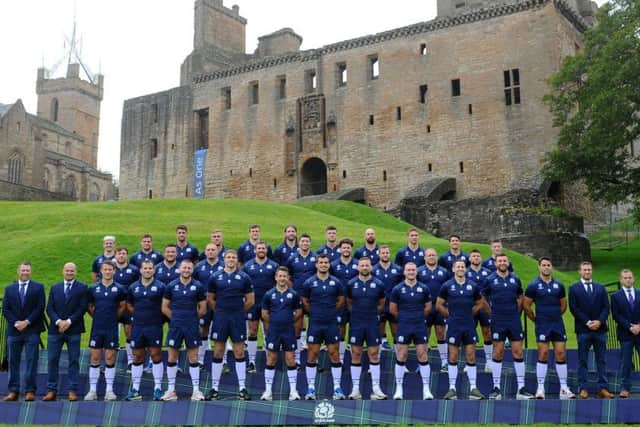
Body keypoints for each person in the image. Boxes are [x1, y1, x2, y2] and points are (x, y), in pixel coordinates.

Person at [437, 260, 489, 400]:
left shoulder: (472, 286)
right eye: (457, 266)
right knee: (453, 356)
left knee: (471, 355)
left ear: (465, 269)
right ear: (453, 269)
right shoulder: (447, 286)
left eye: (462, 267)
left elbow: (480, 302)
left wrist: (471, 313)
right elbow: (439, 304)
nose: (460, 268)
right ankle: (452, 389)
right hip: (454, 325)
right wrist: (450, 315)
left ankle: (473, 389)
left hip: (468, 324)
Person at [523, 257, 574, 400]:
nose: (546, 267)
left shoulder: (559, 285)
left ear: (551, 267)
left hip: (557, 323)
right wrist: (535, 318)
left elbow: (563, 304)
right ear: (539, 267)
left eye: (548, 265)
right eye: (543, 265)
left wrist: (556, 315)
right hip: (542, 324)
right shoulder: (533, 285)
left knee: (561, 353)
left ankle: (564, 388)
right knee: (543, 353)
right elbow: (526, 305)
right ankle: (540, 388)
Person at [207, 250, 255, 401]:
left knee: (239, 351)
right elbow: (210, 299)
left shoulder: (244, 277)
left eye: (233, 257)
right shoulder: (215, 277)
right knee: (218, 351)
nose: (231, 260)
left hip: (237, 318)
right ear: (224, 259)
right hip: (221, 317)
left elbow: (250, 301)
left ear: (237, 260)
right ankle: (214, 388)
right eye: (228, 257)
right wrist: (221, 311)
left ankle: (242, 388)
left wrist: (238, 312)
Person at [483, 254, 532, 400]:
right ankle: (496, 388)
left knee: (518, 352)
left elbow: (520, 296)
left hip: (514, 320)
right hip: (498, 320)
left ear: (508, 262)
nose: (502, 263)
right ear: (495, 263)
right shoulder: (489, 279)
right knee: (498, 352)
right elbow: (483, 299)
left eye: (504, 260)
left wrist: (516, 310)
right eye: (500, 261)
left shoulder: (515, 278)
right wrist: (491, 313)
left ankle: (521, 388)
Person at [161, 259, 207, 401]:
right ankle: (171, 390)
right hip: (175, 326)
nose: (186, 270)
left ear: (192, 270)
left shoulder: (198, 286)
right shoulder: (171, 286)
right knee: (172, 357)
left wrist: (192, 319)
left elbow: (203, 308)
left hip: (191, 326)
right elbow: (164, 307)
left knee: (193, 358)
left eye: (189, 268)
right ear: (179, 269)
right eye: (184, 268)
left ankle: (196, 391)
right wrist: (175, 319)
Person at [302, 254, 346, 400]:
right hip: (315, 323)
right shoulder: (309, 282)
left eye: (326, 262)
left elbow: (341, 299)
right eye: (321, 262)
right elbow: (305, 300)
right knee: (313, 354)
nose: (323, 265)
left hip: (331, 323)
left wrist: (332, 311)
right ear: (316, 265)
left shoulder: (336, 282)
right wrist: (313, 312)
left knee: (334, 353)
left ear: (329, 265)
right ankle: (311, 388)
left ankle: (337, 388)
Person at [2, 262, 46, 402]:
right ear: (18, 272)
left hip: (32, 330)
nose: (25, 272)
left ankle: (30, 391)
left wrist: (27, 322)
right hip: (14, 331)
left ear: (30, 272)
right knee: (13, 361)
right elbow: (6, 309)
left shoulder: (38, 287)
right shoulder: (9, 289)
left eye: (27, 270)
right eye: (23, 270)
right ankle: (13, 391)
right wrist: (16, 323)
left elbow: (40, 308)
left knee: (32, 361)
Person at [568, 261, 613, 399]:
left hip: (600, 329)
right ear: (579, 271)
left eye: (589, 269)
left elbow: (606, 307)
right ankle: (583, 388)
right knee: (583, 360)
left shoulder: (600, 288)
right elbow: (574, 308)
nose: (587, 272)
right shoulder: (574, 288)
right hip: (583, 329)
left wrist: (599, 321)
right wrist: (588, 322)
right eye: (585, 270)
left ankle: (603, 388)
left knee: (602, 360)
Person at [43, 262, 87, 402]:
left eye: (72, 271)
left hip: (73, 329)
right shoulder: (55, 288)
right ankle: (51, 390)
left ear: (76, 272)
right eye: (67, 270)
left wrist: (68, 322)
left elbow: (82, 308)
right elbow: (49, 308)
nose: (69, 273)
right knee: (52, 360)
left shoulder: (82, 287)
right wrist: (58, 322)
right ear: (63, 271)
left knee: (73, 360)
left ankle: (72, 390)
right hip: (55, 330)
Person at [389, 262, 433, 400]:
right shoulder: (397, 289)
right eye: (408, 270)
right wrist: (405, 318)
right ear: (404, 272)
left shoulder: (424, 288)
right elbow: (393, 310)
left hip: (419, 325)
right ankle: (399, 389)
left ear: (416, 272)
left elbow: (428, 307)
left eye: (413, 270)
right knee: (401, 355)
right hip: (404, 325)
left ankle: (426, 389)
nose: (411, 272)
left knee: (422, 355)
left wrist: (418, 317)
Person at [345, 257, 387, 400]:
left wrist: (372, 313)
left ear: (371, 267)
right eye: (362, 265)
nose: (364, 267)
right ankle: (355, 390)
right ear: (358, 267)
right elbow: (349, 302)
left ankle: (376, 389)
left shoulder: (378, 284)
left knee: (374, 354)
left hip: (372, 323)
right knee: (356, 354)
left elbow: (382, 303)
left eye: (367, 265)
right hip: (356, 323)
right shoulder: (351, 284)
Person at [85, 260, 127, 401]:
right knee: (95, 358)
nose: (108, 272)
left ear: (114, 271)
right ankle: (92, 391)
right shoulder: (93, 288)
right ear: (101, 271)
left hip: (112, 328)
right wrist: (97, 317)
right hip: (97, 327)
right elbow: (89, 307)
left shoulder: (120, 289)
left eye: (110, 269)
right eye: (105, 269)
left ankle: (109, 391)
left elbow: (122, 306)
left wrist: (114, 318)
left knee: (110, 358)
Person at [125, 260, 166, 401]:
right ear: (141, 270)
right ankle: (135, 389)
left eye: (150, 268)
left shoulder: (161, 286)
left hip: (154, 326)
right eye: (145, 268)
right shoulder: (133, 287)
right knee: (137, 356)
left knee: (155, 355)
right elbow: (129, 304)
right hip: (138, 326)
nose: (147, 270)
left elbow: (166, 304)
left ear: (154, 271)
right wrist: (137, 314)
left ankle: (158, 388)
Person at [260, 267, 303, 401]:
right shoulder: (268, 294)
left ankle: (293, 391)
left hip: (288, 330)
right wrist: (275, 323)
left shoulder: (294, 294)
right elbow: (264, 314)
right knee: (271, 358)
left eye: (285, 276)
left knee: (290, 359)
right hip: (274, 331)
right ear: (276, 278)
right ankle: (268, 392)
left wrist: (288, 321)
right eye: (280, 276)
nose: (282, 278)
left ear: (288, 278)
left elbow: (299, 312)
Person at [243, 242, 279, 371]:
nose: (261, 250)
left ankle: (269, 359)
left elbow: (279, 283)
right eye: (259, 248)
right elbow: (243, 284)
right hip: (253, 303)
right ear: (255, 250)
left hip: (269, 304)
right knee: (252, 331)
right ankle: (252, 361)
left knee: (269, 331)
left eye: (263, 248)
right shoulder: (247, 266)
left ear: (267, 250)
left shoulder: (274, 266)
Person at [284, 234, 317, 361]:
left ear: (310, 243)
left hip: (312, 296)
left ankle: (314, 357)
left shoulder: (315, 258)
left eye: (307, 241)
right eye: (302, 241)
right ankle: (296, 357)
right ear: (299, 243)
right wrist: (292, 291)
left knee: (314, 326)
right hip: (297, 295)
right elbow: (288, 276)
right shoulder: (292, 258)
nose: (305, 243)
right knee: (297, 324)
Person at [417, 248, 450, 370]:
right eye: (429, 255)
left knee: (441, 333)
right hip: (425, 306)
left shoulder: (444, 272)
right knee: (424, 334)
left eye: (433, 255)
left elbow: (448, 289)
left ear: (436, 257)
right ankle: (422, 362)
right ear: (425, 257)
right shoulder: (419, 271)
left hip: (440, 306)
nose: (431, 257)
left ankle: (444, 362)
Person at [610, 269, 640, 398]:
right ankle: (625, 388)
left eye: (630, 277)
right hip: (625, 333)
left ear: (633, 279)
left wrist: (639, 326)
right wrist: (629, 327)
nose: (628, 280)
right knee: (626, 362)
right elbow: (616, 315)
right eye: (625, 278)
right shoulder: (615, 296)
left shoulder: (639, 293)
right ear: (621, 280)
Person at [194, 244, 224, 368]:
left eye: (213, 250)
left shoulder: (224, 266)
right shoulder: (199, 267)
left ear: (217, 251)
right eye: (208, 250)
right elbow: (194, 284)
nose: (211, 252)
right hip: (204, 304)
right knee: (203, 329)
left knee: (222, 330)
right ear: (205, 252)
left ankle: (223, 359)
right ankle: (200, 359)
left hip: (220, 304)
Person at [331, 238, 359, 362]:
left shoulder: (358, 264)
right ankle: (341, 358)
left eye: (348, 247)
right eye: (344, 247)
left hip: (356, 302)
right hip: (340, 301)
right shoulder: (333, 265)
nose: (346, 249)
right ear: (340, 249)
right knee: (340, 329)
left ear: (351, 249)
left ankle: (354, 359)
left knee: (355, 329)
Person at [114, 246, 140, 370]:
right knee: (111, 334)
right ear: (115, 255)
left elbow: (138, 286)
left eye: (124, 253)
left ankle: (131, 361)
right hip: (114, 305)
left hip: (128, 305)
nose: (121, 256)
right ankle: (110, 362)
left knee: (129, 332)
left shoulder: (134, 270)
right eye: (119, 253)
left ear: (127, 255)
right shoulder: (110, 270)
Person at [466, 249, 493, 371]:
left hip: (485, 306)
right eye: (474, 256)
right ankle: (469, 362)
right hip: (470, 307)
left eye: (478, 256)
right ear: (470, 259)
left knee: (487, 332)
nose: (476, 257)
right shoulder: (465, 272)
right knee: (469, 334)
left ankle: (489, 361)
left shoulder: (488, 273)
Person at [373, 245, 404, 351]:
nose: (385, 255)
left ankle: (399, 363)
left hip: (394, 307)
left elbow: (402, 288)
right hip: (380, 307)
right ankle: (377, 363)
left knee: (397, 334)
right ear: (379, 254)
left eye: (387, 253)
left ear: (390, 254)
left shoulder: (398, 269)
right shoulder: (373, 269)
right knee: (379, 334)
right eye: (383, 253)